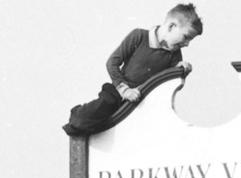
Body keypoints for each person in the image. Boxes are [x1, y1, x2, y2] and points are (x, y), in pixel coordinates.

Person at [62, 3, 203, 136]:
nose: (187, 44)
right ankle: (78, 114)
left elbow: (169, 84)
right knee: (83, 120)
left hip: (145, 102)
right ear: (171, 26)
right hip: (118, 94)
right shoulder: (139, 36)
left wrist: (181, 70)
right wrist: (125, 90)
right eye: (186, 37)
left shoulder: (174, 53)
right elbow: (112, 63)